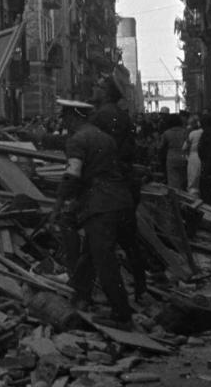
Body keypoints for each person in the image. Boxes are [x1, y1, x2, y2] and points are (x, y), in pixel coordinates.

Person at [49, 98, 134, 329]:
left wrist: (58, 206)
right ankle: (81, 297)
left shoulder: (77, 140)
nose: (64, 122)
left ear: (74, 117)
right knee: (89, 255)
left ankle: (121, 313)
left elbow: (72, 175)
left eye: (65, 117)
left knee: (103, 259)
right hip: (119, 200)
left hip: (99, 204)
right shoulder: (105, 138)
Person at [89, 75, 147, 301]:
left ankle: (114, 300)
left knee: (100, 245)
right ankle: (140, 287)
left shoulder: (101, 116)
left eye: (100, 86)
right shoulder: (121, 116)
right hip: (124, 183)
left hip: (106, 186)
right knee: (129, 241)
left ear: (107, 93)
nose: (95, 88)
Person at [158, 114, 187, 190]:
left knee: (173, 181)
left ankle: (176, 198)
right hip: (184, 156)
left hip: (171, 157)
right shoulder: (185, 131)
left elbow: (160, 146)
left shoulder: (166, 133)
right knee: (183, 180)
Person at [183, 115, 204, 197]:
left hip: (193, 157)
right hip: (203, 157)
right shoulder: (203, 132)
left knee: (193, 179)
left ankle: (193, 199)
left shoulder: (192, 133)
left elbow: (185, 147)